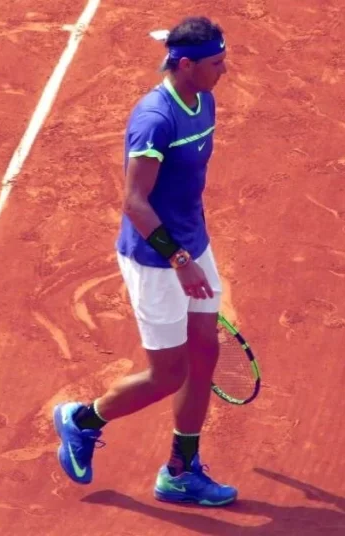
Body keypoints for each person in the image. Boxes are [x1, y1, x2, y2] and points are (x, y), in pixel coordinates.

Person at [52, 15, 236, 506]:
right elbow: (134, 202)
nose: (226, 69)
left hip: (194, 248)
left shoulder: (205, 99)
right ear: (185, 65)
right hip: (157, 261)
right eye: (217, 63)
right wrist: (180, 259)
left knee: (205, 354)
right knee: (168, 374)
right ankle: (81, 420)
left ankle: (180, 471)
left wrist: (193, 251)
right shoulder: (155, 120)